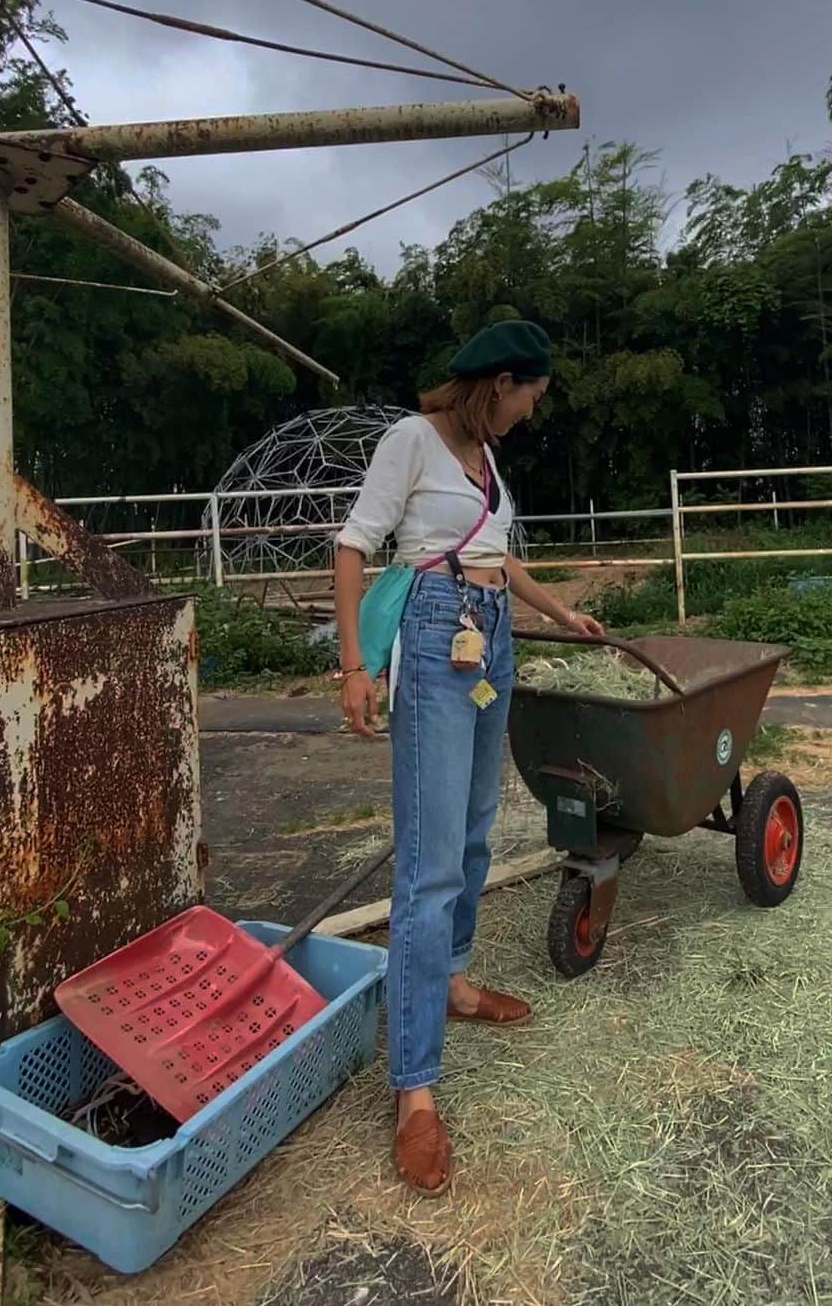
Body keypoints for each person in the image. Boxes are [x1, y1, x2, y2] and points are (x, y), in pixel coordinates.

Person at [334, 320, 603, 1196]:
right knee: (429, 865)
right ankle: (414, 1089)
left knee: (478, 833)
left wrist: (561, 612)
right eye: (527, 398)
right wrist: (352, 668)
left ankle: (449, 983)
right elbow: (352, 546)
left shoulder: (486, 462)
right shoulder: (411, 441)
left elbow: (497, 554)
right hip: (433, 632)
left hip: (489, 641)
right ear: (499, 382)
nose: (527, 414)